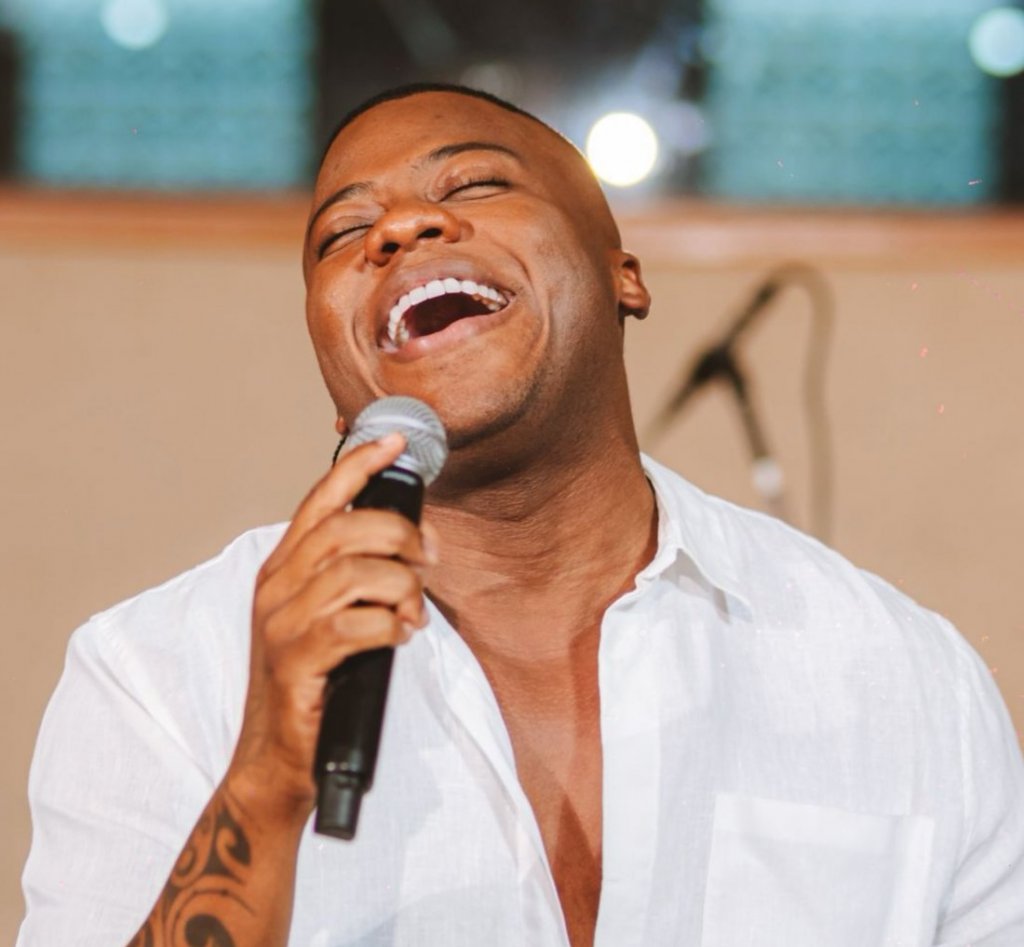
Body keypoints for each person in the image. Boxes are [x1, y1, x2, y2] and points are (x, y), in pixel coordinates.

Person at [17, 83, 1024, 947]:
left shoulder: (904, 676)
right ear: (336, 380)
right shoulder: (157, 672)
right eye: (344, 234)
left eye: (473, 184)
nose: (402, 229)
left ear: (625, 274)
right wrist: (268, 772)